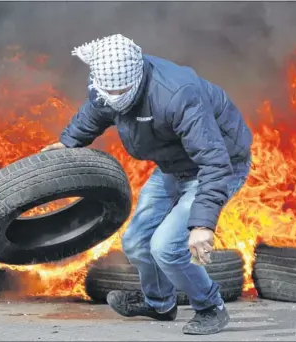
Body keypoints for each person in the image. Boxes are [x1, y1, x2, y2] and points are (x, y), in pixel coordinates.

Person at [42, 34, 252, 335]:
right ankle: (160, 304)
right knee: (136, 242)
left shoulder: (177, 93)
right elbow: (96, 110)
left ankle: (211, 308)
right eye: (108, 90)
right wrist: (69, 143)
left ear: (137, 74)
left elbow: (214, 162)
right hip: (172, 167)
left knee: (167, 247)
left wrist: (202, 224)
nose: (114, 96)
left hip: (218, 167)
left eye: (122, 90)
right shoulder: (106, 83)